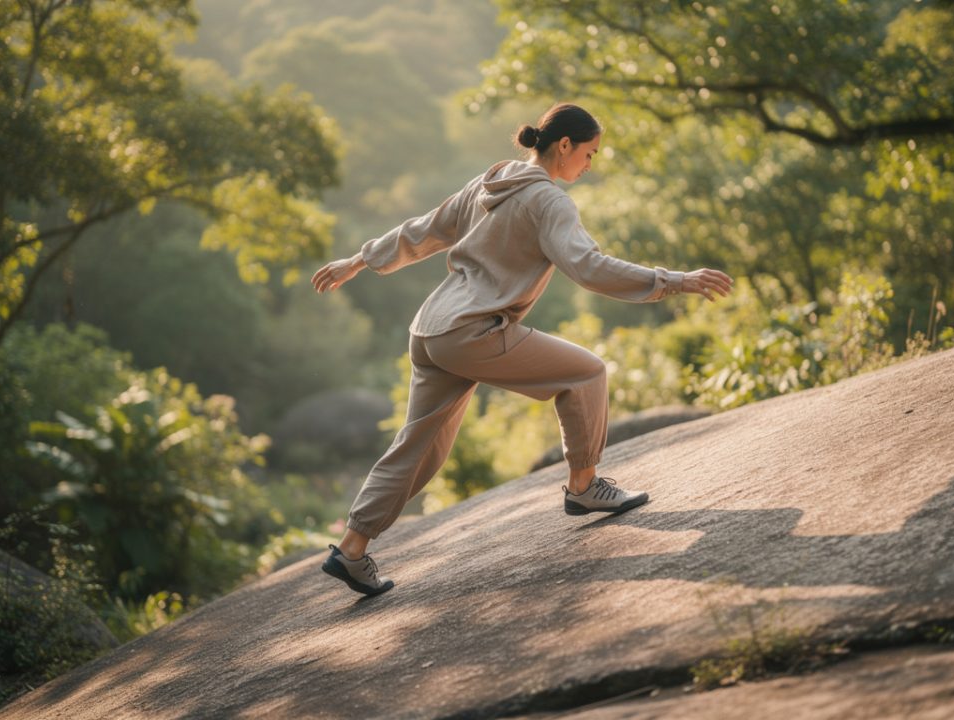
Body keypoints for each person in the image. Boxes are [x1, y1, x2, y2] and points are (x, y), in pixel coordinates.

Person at [311, 103, 733, 596]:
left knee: (418, 446)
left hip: (430, 331)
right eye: (589, 154)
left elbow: (424, 229)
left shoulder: (492, 181)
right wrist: (673, 280)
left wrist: (359, 259)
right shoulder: (549, 202)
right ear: (564, 146)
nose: (589, 166)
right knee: (587, 374)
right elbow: (589, 267)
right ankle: (583, 487)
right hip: (473, 331)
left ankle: (353, 548)